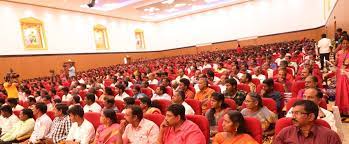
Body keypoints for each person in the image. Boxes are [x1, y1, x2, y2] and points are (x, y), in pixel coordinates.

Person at [274, 100, 341, 144]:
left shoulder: (330, 136)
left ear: (311, 117)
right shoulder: (285, 132)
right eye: (292, 113)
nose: (293, 117)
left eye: (297, 113)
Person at [335, 38, 349, 117]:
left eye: (347, 43)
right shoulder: (338, 53)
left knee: (346, 90)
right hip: (339, 73)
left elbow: (346, 65)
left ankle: (346, 109)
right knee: (340, 90)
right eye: (343, 43)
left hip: (346, 73)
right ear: (341, 44)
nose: (345, 45)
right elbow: (336, 63)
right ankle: (340, 109)